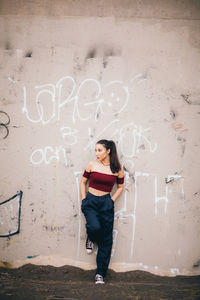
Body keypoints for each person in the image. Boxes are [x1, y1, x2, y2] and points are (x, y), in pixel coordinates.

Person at [80, 139, 124, 284]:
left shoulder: (116, 169)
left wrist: (111, 200)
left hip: (106, 203)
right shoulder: (92, 165)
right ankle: (91, 237)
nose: (96, 153)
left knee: (106, 240)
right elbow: (83, 182)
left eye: (100, 150)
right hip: (91, 201)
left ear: (108, 151)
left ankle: (100, 274)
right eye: (96, 150)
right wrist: (84, 199)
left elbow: (120, 187)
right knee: (94, 227)